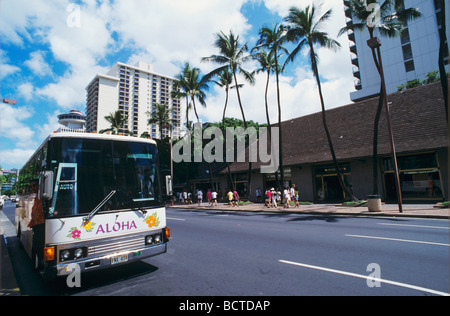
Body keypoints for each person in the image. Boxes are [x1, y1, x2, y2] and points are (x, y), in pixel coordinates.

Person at [28, 179, 45, 270]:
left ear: (39, 185)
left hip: (41, 225)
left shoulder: (43, 196)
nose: (32, 188)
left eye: (34, 185)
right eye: (31, 186)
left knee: (38, 246)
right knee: (35, 246)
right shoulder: (37, 197)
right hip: (36, 225)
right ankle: (37, 263)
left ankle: (40, 263)